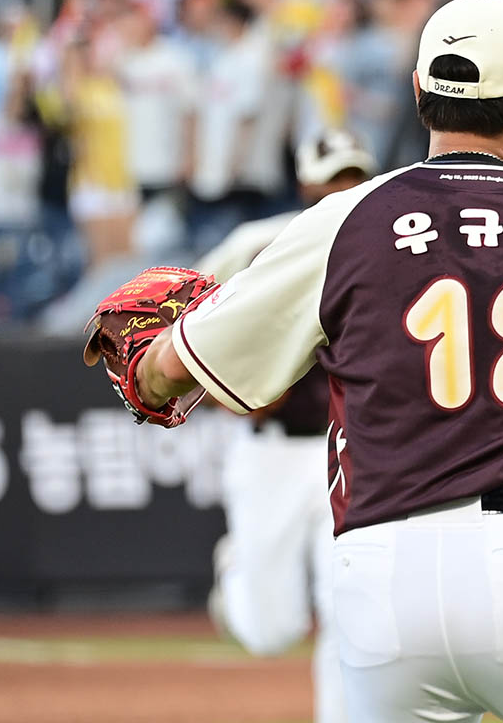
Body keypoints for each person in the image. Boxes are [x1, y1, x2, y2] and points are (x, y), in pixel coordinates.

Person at [117, 0, 503, 723]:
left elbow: (170, 368)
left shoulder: (341, 221)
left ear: (419, 93)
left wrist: (150, 365)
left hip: (381, 572)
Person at [200, 127, 377, 723]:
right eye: (331, 181)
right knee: (270, 632)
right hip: (271, 450)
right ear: (305, 185)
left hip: (347, 450)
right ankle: (237, 575)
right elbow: (190, 315)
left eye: (352, 178)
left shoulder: (393, 239)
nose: (342, 190)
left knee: (345, 605)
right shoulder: (260, 241)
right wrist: (237, 385)